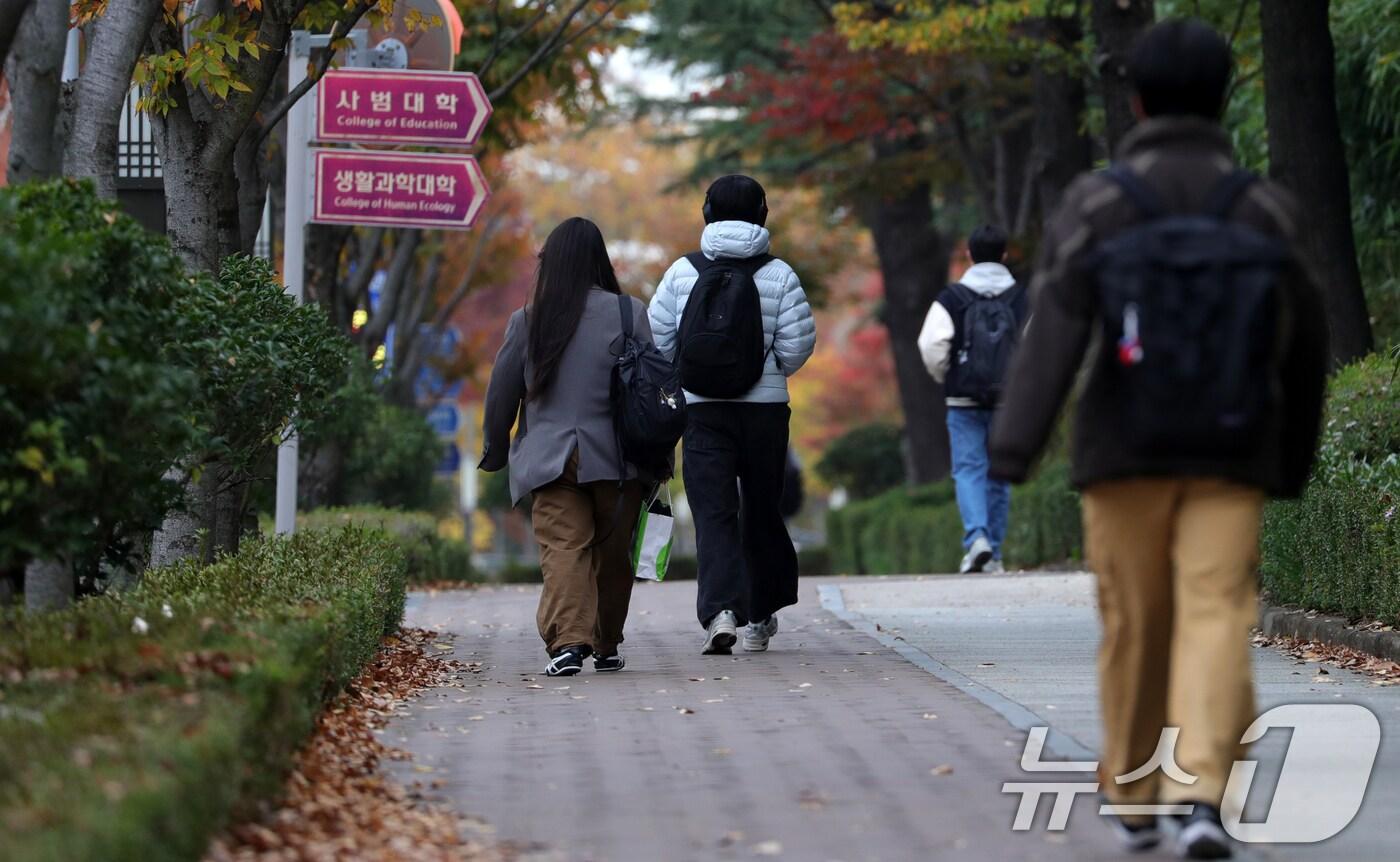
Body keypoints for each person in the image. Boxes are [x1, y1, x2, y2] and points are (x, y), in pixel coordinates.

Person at [988, 20, 1328, 860]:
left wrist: (1014, 449)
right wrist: (1291, 457)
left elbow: (1055, 328)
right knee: (1216, 613)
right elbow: (1306, 340)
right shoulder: (1263, 205)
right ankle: (1205, 792)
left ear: (1136, 100)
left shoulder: (1100, 202)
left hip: (1122, 448)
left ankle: (1137, 795)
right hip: (1230, 448)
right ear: (1225, 96)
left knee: (1134, 622)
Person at [649, 175, 816, 655]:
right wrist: (772, 370)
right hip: (764, 413)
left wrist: (685, 374)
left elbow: (658, 338)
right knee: (762, 508)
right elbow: (798, 343)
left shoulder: (683, 272)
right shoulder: (779, 274)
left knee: (714, 512)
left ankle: (721, 610)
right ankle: (760, 616)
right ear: (762, 215)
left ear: (706, 213)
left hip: (702, 412)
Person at [480, 217, 650, 678]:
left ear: (548, 264)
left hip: (549, 457)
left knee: (564, 547)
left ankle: (569, 644)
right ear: (601, 261)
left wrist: (495, 450)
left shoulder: (529, 320)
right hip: (617, 458)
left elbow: (501, 392)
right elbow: (652, 387)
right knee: (614, 554)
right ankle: (606, 643)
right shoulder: (628, 312)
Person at [917, 224, 1026, 574]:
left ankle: (976, 537)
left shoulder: (952, 298)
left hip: (963, 400)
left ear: (969, 255)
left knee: (968, 469)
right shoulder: (1022, 298)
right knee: (1000, 473)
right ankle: (993, 551)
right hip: (1009, 402)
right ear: (1005, 255)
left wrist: (947, 376)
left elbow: (931, 345)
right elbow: (1038, 346)